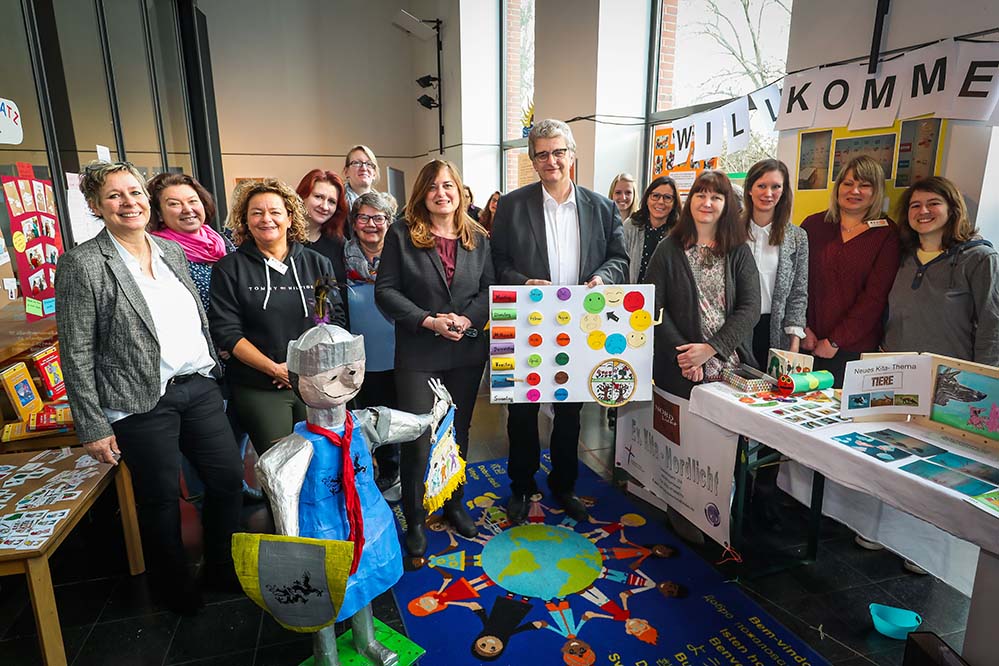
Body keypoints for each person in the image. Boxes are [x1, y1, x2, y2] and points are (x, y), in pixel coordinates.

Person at [56, 161, 243, 615]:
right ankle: (175, 588)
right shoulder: (82, 264)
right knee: (159, 500)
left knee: (226, 481)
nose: (129, 203)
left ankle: (221, 568)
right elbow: (75, 351)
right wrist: (93, 425)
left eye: (135, 192)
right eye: (114, 195)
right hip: (140, 401)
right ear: (96, 206)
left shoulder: (170, 250)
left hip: (197, 385)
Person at [491, 119, 629, 525]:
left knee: (570, 412)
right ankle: (521, 486)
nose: (551, 160)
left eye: (558, 152)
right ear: (532, 160)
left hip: (580, 327)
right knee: (521, 411)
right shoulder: (512, 206)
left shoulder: (602, 208)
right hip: (526, 323)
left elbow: (619, 259)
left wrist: (602, 278)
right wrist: (522, 282)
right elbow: (497, 262)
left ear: (572, 155)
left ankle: (564, 485)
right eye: (542, 154)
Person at [375, 159, 493, 557]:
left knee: (458, 433)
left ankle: (454, 504)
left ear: (459, 191)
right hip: (419, 352)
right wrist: (429, 321)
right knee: (419, 438)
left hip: (466, 350)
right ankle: (415, 519)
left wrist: (467, 318)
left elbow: (489, 290)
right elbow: (386, 292)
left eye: (448, 186)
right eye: (432, 187)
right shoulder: (402, 234)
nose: (441, 193)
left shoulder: (478, 236)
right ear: (421, 194)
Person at [208, 179, 345, 456]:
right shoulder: (229, 268)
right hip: (260, 386)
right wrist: (276, 369)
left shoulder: (317, 263)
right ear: (245, 220)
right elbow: (227, 332)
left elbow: (331, 319)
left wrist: (302, 367)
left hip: (316, 381)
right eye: (256, 212)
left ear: (290, 217)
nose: (266, 219)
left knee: (325, 462)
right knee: (281, 467)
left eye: (275, 211)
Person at [646, 170, 760, 399]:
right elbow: (654, 307)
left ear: (726, 205)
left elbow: (750, 308)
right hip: (680, 370)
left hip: (731, 370)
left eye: (716, 197)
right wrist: (686, 357)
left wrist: (711, 349)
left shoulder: (738, 250)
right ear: (690, 201)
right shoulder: (668, 249)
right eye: (700, 195)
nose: (707, 203)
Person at [802, 156, 900, 385]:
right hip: (806, 342)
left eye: (864, 185)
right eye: (848, 183)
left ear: (876, 192)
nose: (854, 191)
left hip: (854, 350)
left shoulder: (886, 234)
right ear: (838, 188)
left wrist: (836, 341)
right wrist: (802, 327)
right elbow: (795, 282)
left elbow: (875, 298)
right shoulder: (813, 226)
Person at [884, 176, 998, 365]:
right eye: (915, 205)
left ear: (952, 209)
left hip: (950, 374)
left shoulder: (979, 258)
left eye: (933, 203)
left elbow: (992, 326)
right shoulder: (901, 255)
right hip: (896, 367)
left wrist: (984, 377)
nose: (923, 211)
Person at [345, 191, 403, 501]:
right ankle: (388, 470)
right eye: (364, 217)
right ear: (354, 223)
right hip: (361, 355)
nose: (371, 224)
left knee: (402, 415)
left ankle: (408, 471)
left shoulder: (402, 257)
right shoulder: (339, 260)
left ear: (389, 222)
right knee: (374, 417)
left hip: (402, 351)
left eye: (378, 218)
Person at [742, 159, 808, 365]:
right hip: (735, 330)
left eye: (776, 186)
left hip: (775, 331)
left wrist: (795, 342)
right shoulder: (730, 232)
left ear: (784, 191)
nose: (768, 193)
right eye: (761, 185)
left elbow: (798, 293)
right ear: (750, 189)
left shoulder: (797, 237)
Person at [147, 172, 234, 311]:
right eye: (174, 204)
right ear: (159, 214)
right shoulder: (157, 253)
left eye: (193, 201)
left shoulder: (223, 242)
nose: (187, 209)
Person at [295, 169, 349, 295]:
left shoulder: (339, 243)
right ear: (302, 197)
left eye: (332, 202)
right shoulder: (282, 240)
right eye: (318, 197)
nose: (324, 206)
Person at [622, 176, 680, 283]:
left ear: (674, 203)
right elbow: (620, 262)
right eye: (655, 196)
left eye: (667, 197)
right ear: (647, 199)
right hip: (633, 291)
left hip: (666, 292)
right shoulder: (631, 225)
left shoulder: (679, 231)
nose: (661, 201)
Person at [342, 145, 380, 209]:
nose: (364, 168)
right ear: (346, 172)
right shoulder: (336, 200)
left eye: (369, 164)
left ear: (374, 174)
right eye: (357, 163)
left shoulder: (382, 207)